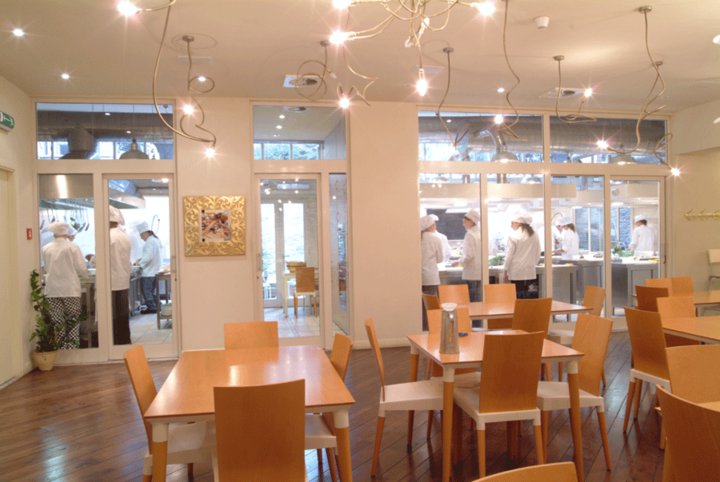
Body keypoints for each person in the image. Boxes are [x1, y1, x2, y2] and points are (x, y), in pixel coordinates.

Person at [41, 222, 89, 349]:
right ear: (66, 233)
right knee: (73, 322)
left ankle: (61, 351)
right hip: (70, 289)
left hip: (52, 290)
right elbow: (82, 268)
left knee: (58, 323)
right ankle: (72, 351)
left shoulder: (46, 248)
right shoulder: (72, 247)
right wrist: (86, 277)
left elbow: (46, 268)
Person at [504, 213, 542, 299]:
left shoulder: (513, 235)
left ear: (518, 223)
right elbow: (538, 252)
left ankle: (519, 312)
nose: (511, 225)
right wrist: (533, 264)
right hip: (530, 271)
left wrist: (505, 270)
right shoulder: (534, 234)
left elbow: (509, 255)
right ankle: (528, 312)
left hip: (516, 271)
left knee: (518, 297)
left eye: (512, 223)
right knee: (529, 297)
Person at [109, 206, 132, 345]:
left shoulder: (108, 236)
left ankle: (115, 343)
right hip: (123, 280)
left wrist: (91, 259)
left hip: (111, 281)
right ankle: (124, 340)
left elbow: (100, 259)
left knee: (113, 316)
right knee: (122, 314)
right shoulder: (124, 236)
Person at [420, 214, 445, 330]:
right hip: (431, 277)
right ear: (429, 226)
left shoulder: (417, 237)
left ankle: (422, 329)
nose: (435, 226)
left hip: (418, 277)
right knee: (432, 306)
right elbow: (440, 259)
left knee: (420, 307)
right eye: (434, 224)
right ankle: (432, 329)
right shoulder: (436, 238)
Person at [135, 221, 162, 315]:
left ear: (145, 233)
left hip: (149, 272)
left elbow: (149, 256)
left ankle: (152, 308)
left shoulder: (150, 242)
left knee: (147, 291)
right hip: (154, 271)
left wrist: (139, 264)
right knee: (151, 291)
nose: (140, 237)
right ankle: (157, 306)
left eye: (141, 235)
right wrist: (141, 259)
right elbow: (150, 255)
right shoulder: (155, 240)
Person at [457, 209, 482, 301]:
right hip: (479, 272)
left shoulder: (470, 234)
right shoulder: (480, 233)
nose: (463, 224)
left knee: (472, 299)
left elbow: (469, 255)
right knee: (478, 299)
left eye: (464, 222)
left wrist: (459, 262)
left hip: (471, 272)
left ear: (471, 222)